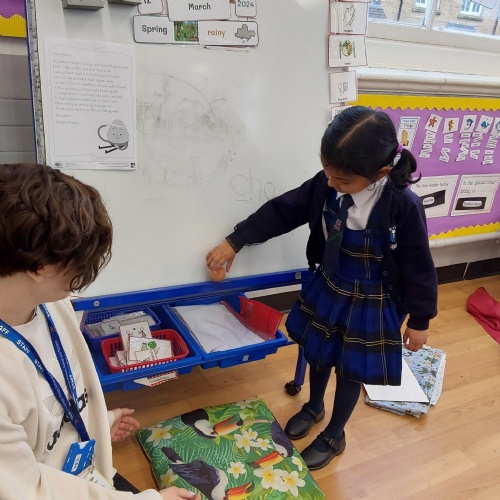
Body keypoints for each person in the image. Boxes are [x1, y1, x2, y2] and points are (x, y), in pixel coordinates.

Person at [206, 106, 438, 471]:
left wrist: (421, 319)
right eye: (327, 173)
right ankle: (314, 406)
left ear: (380, 173)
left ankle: (334, 434)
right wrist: (236, 240)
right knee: (317, 351)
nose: (331, 183)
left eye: (341, 180)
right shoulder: (327, 184)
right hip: (331, 284)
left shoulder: (402, 206)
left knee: (349, 369)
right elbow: (283, 211)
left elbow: (419, 264)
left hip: (372, 300)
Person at [0, 163, 201, 500]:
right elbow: (29, 488)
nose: (81, 277)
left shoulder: (51, 304)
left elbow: (55, 399)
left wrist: (99, 422)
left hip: (90, 476)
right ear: (40, 268)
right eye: (77, 265)